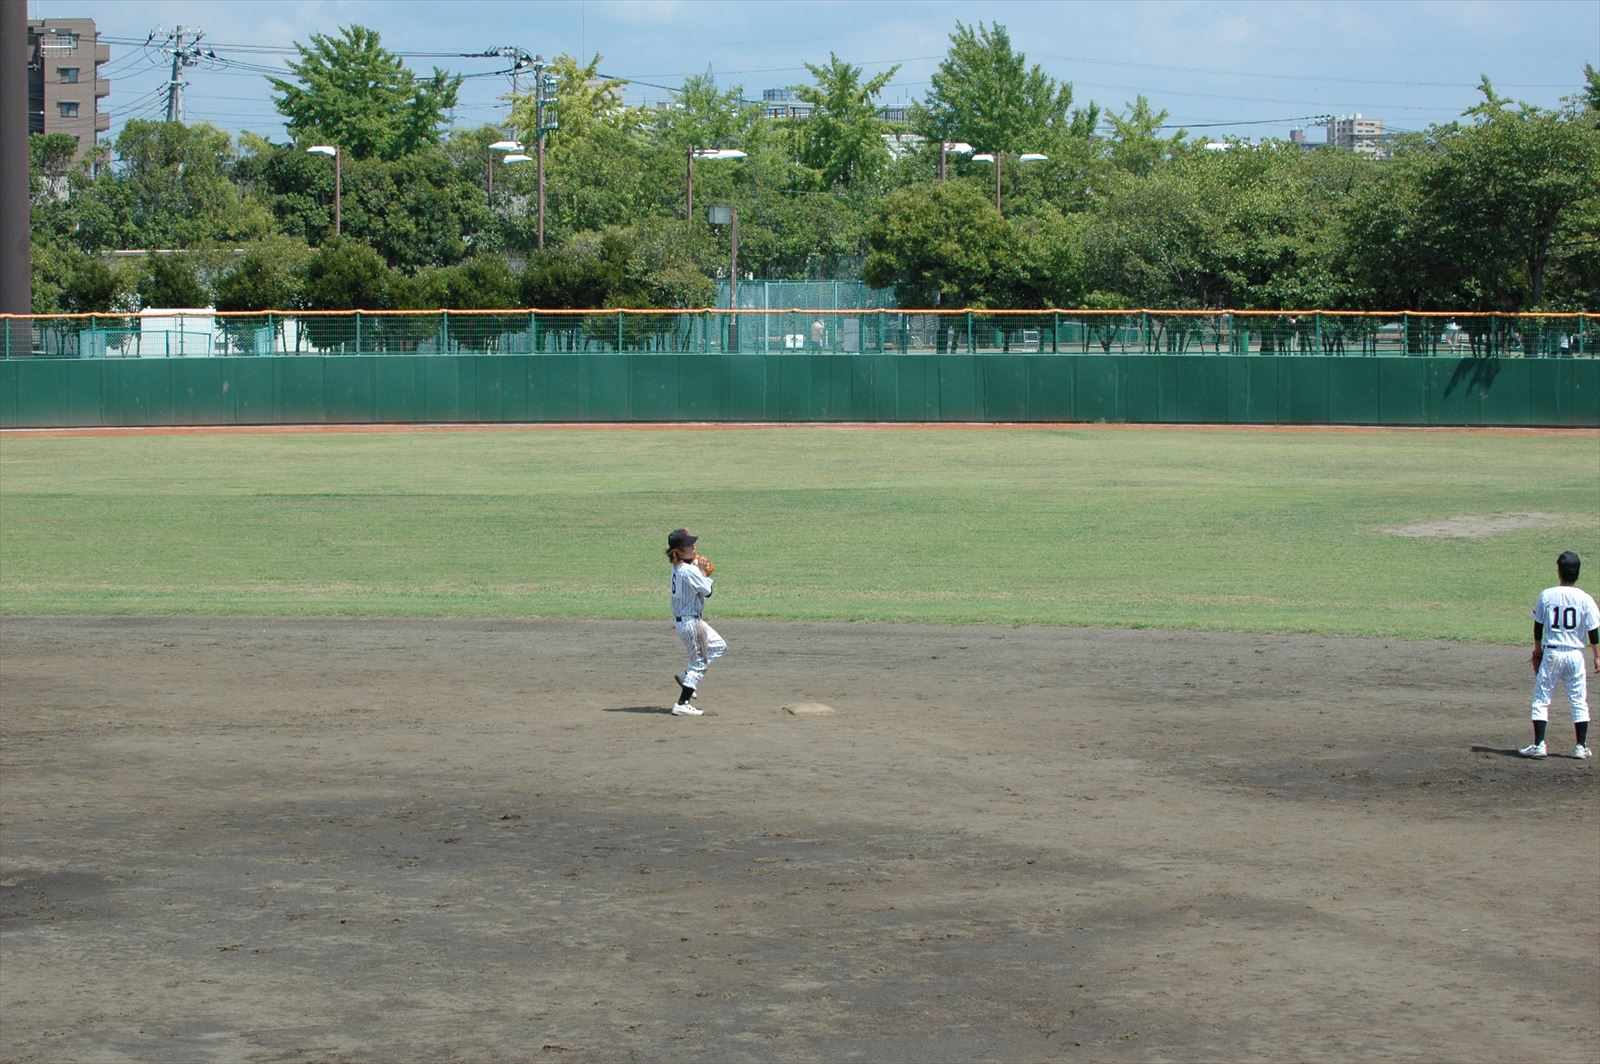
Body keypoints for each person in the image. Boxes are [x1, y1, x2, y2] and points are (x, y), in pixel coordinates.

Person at [1520, 550, 1600, 758]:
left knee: (1541, 698)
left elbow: (1538, 626)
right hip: (1575, 655)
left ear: (1559, 572)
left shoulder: (1547, 595)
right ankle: (1581, 747)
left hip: (1552, 653)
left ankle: (1539, 744)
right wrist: (1597, 656)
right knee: (1578, 700)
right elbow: (1593, 631)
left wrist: (1538, 650)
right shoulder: (1585, 599)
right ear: (1578, 572)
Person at [666, 528, 726, 717]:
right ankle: (682, 703)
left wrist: (696, 567)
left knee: (719, 646)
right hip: (691, 623)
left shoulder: (678, 568)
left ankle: (686, 677)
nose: (694, 547)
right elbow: (708, 592)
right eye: (689, 545)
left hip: (688, 621)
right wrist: (701, 571)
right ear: (679, 550)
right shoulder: (688, 571)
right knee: (699, 662)